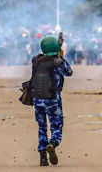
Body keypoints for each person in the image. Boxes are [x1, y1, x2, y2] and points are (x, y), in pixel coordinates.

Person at [31, 35, 73, 166]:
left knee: (42, 127)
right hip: (53, 100)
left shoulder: (36, 61)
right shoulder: (59, 62)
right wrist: (60, 55)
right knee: (56, 126)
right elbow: (69, 72)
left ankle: (43, 157)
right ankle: (52, 143)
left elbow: (45, 57)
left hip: (38, 100)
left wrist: (55, 50)